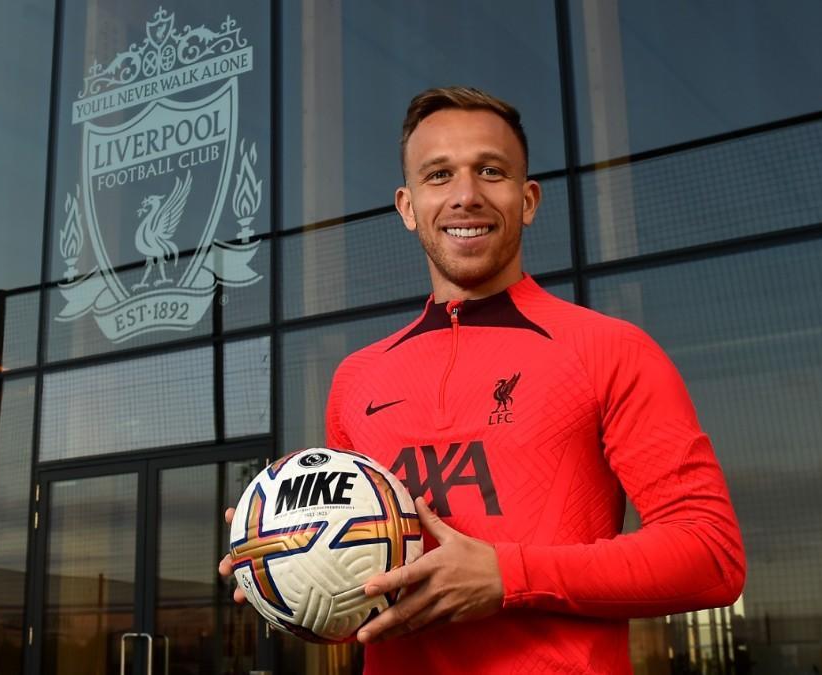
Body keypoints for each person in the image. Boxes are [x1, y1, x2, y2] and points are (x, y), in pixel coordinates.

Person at [221, 86, 745, 673]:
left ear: (527, 199)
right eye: (438, 175)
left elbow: (711, 555)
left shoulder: (609, 350)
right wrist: (288, 573)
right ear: (407, 205)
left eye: (490, 171)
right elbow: (373, 606)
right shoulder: (356, 377)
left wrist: (509, 576)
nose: (465, 196)